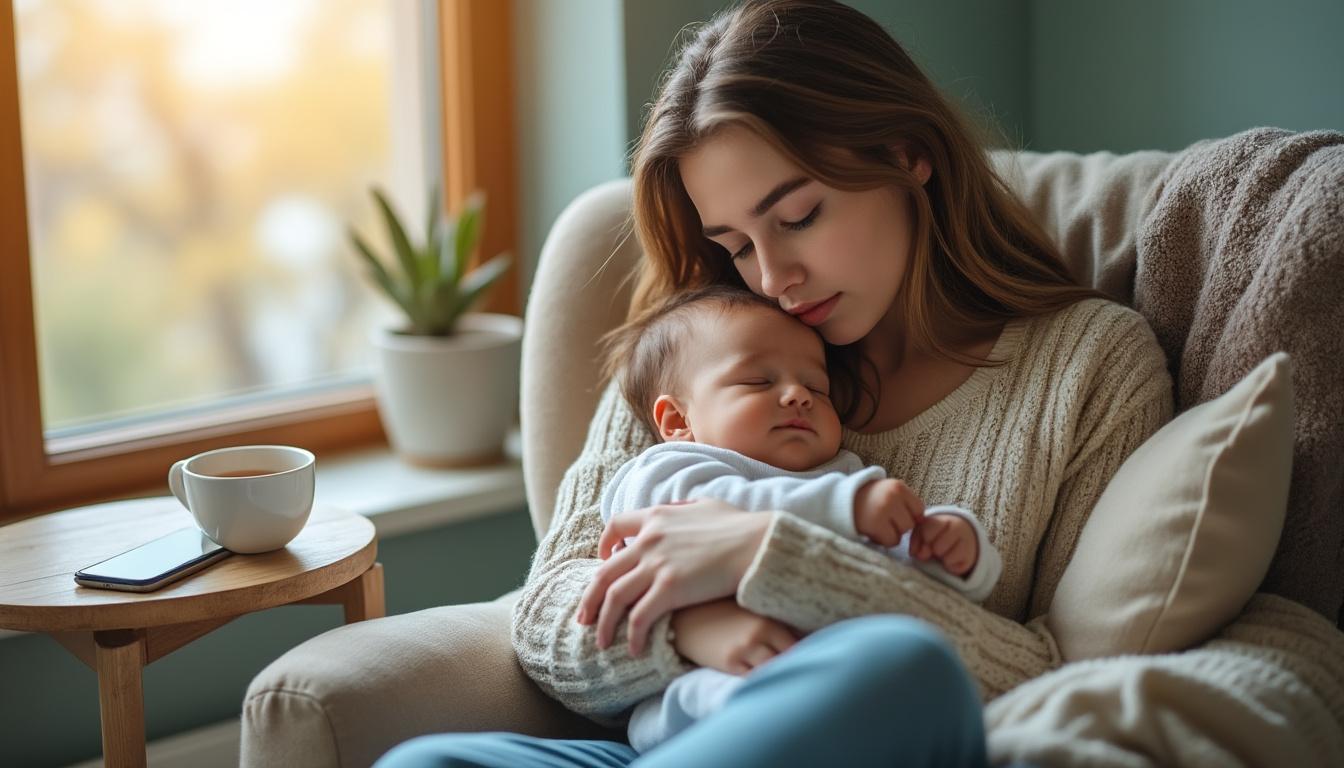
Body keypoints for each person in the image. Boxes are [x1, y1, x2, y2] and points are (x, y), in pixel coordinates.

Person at [374, 0, 1171, 766]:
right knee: (426, 762)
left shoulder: (1092, 365)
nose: (772, 278)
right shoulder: (703, 346)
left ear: (907, 154)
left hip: (877, 737)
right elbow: (549, 611)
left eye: (797, 218)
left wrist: (763, 551)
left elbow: (1071, 684)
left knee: (906, 668)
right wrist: (693, 629)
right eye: (735, 245)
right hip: (678, 738)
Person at [597, 284, 1003, 752]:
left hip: (828, 686)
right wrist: (847, 507)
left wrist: (952, 547)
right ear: (676, 420)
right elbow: (709, 510)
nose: (797, 396)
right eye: (758, 382)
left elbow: (885, 572)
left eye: (816, 387)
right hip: (703, 695)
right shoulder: (669, 469)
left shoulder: (841, 476)